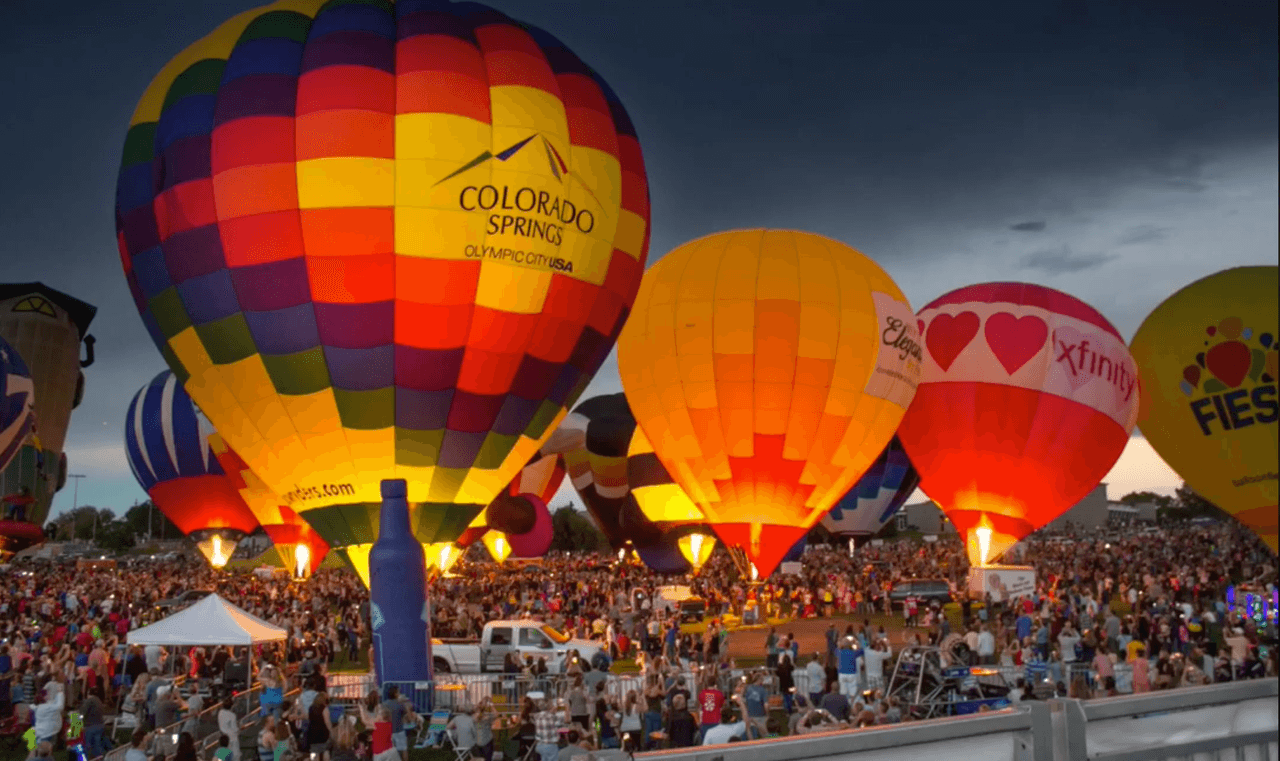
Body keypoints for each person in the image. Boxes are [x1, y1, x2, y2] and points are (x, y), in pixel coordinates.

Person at [533, 697, 563, 761]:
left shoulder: (536, 716)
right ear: (549, 706)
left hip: (539, 746)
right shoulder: (553, 717)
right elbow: (559, 725)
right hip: (550, 745)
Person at [306, 692, 333, 761]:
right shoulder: (324, 709)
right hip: (322, 733)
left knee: (314, 752)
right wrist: (332, 732)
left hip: (312, 733)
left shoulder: (311, 708)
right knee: (325, 751)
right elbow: (327, 722)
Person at [217, 697, 241, 761]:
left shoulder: (220, 713)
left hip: (224, 737)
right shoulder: (232, 715)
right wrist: (240, 728)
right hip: (232, 738)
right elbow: (235, 728)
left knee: (223, 757)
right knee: (235, 756)